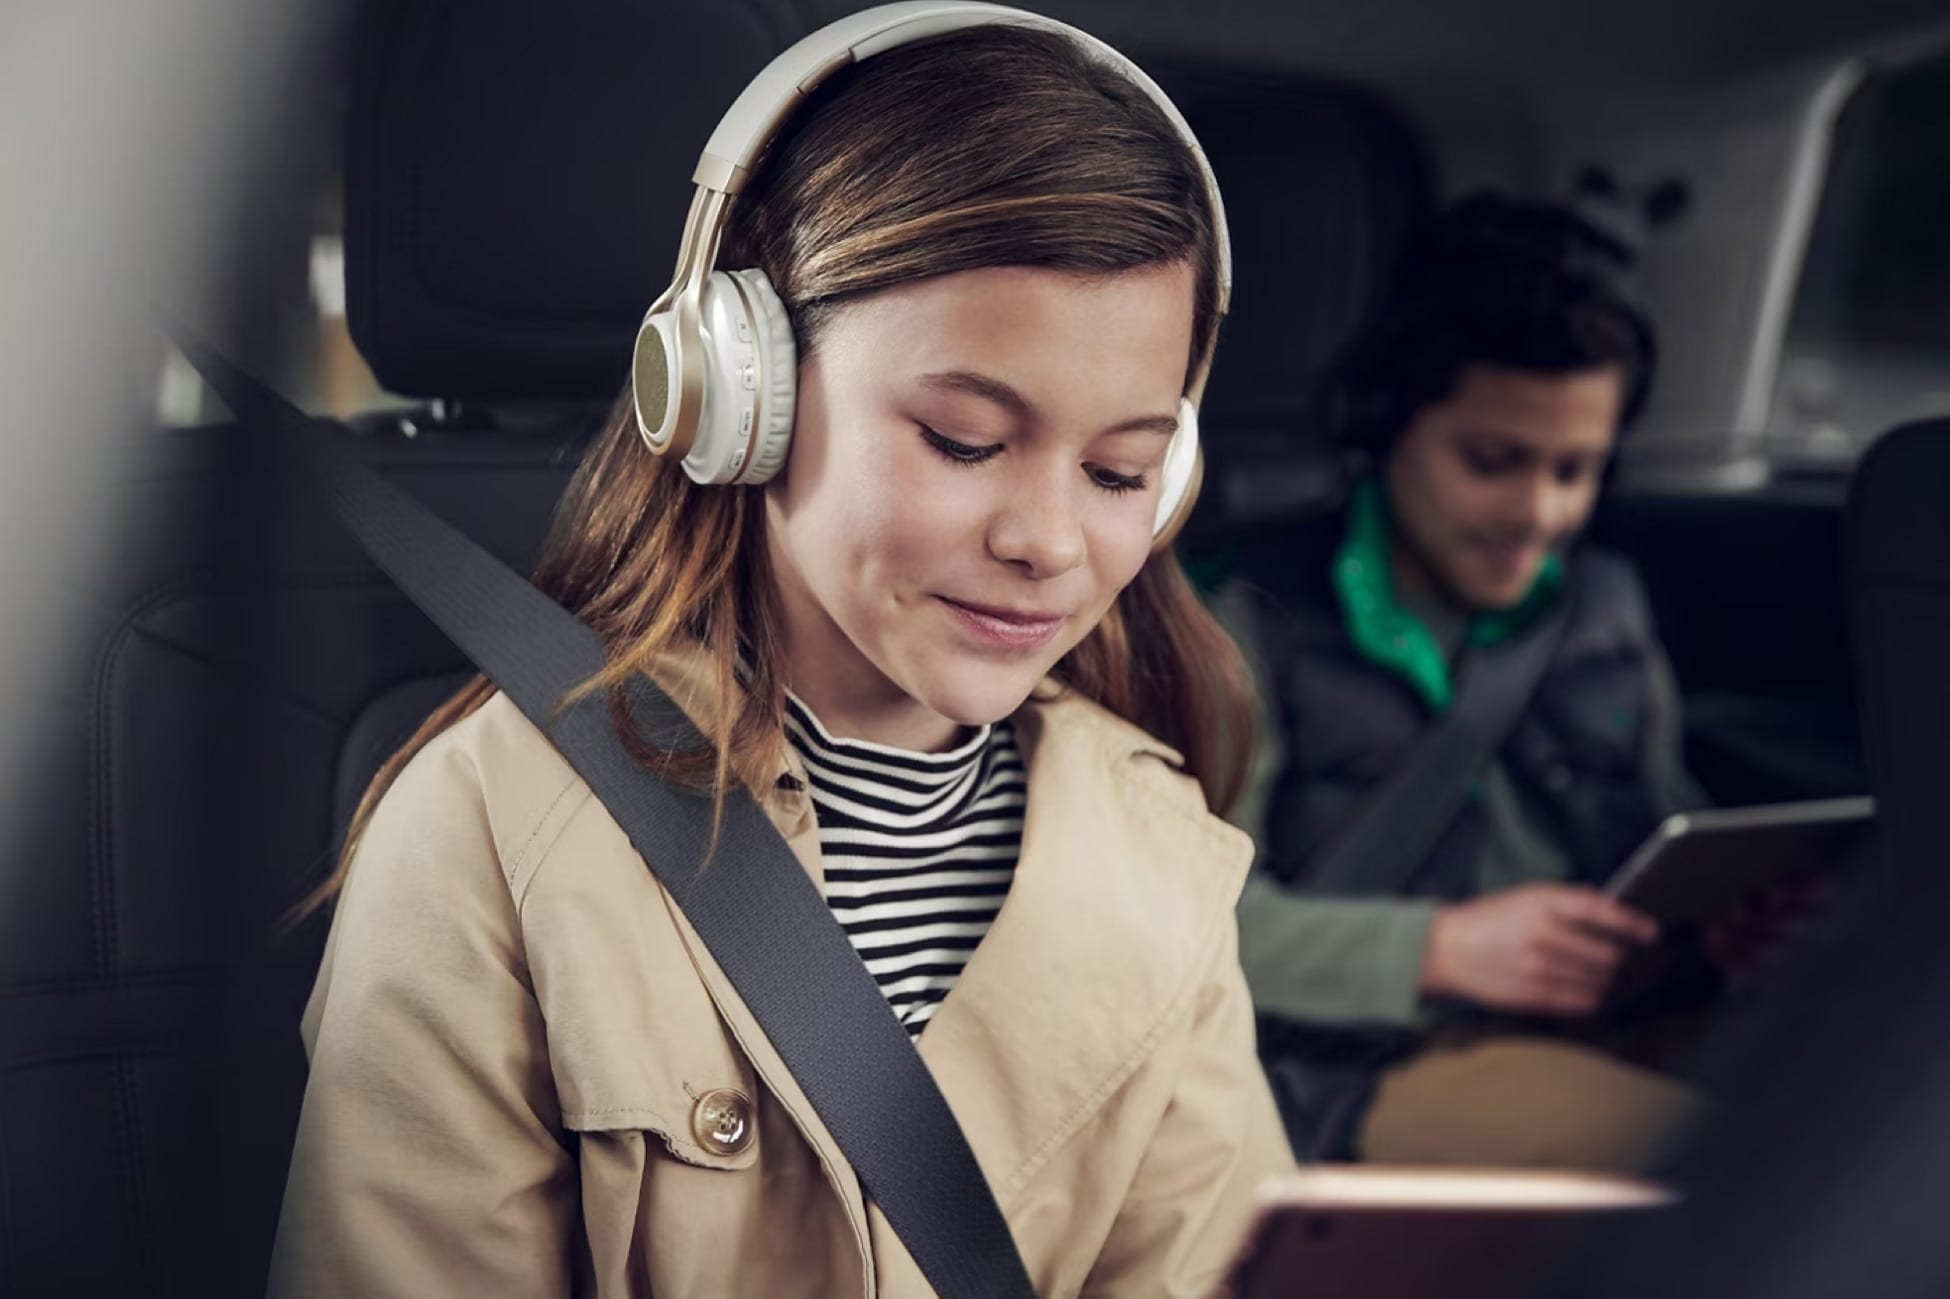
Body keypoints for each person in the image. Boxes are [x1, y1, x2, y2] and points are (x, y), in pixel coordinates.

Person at [268, 11, 1291, 1298]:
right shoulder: (493, 832)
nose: (1049, 541)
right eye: (966, 441)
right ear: (738, 395)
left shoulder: (1160, 857)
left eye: (1120, 470)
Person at [1230, 192, 1713, 1171]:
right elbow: (1167, 937)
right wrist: (1436, 952)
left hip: (1612, 1021)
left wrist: (1724, 924)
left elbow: (1670, 826)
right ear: (1386, 420)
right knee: (1718, 1160)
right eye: (1493, 463)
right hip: (1368, 1058)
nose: (1537, 515)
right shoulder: (1239, 624)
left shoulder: (1606, 605)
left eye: (1577, 471)